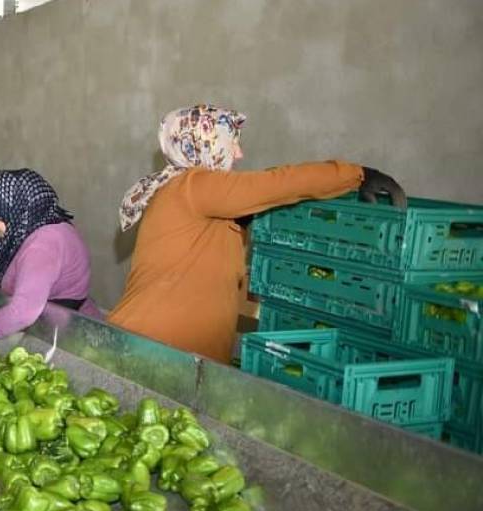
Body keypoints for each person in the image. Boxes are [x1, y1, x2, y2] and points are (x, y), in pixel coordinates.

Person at [107, 104, 406, 363]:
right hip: (153, 348)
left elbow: (260, 192)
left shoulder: (187, 191)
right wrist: (357, 174)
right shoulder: (195, 187)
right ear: (203, 144)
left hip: (164, 351)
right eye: (231, 142)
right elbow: (277, 183)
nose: (239, 153)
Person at [0, 169, 99, 342]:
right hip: (39, 313)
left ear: (14, 210)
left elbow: (24, 311)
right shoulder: (23, 226)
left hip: (61, 327)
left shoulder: (43, 245)